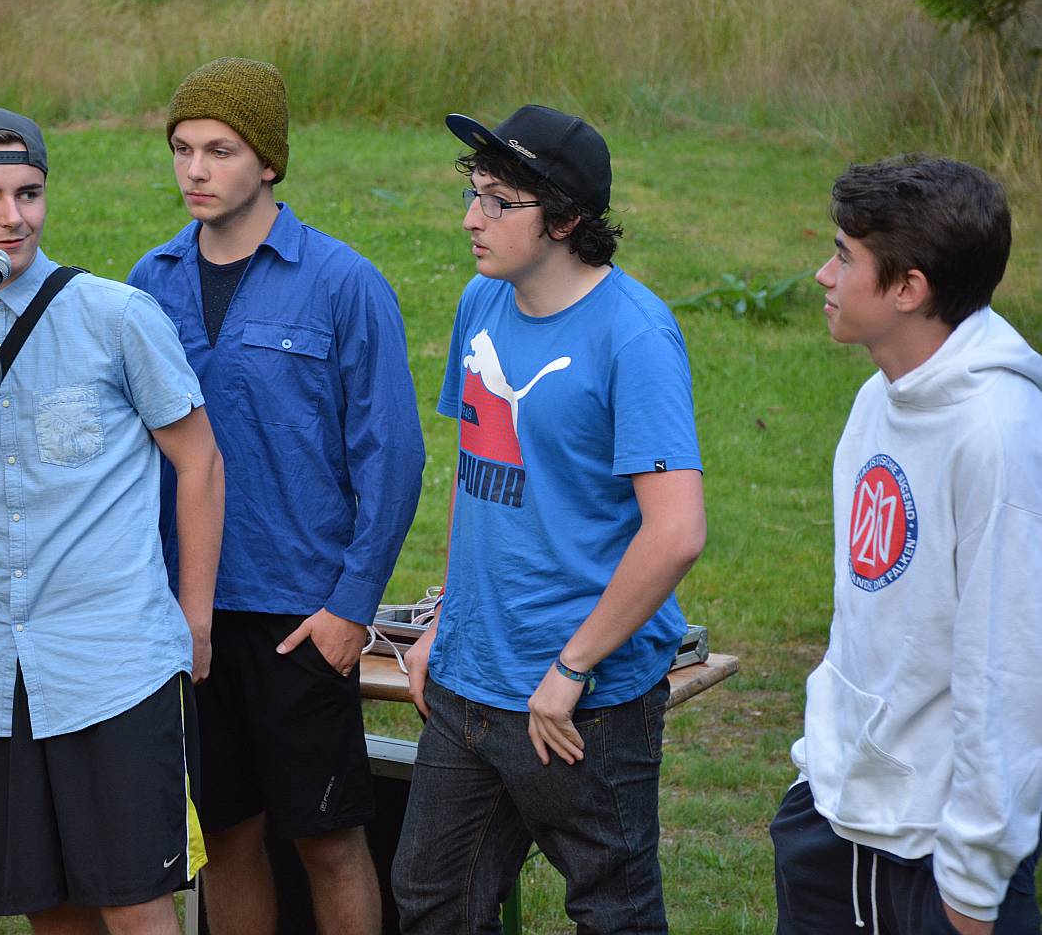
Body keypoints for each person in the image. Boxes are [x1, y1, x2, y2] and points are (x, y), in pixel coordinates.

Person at [0, 105, 224, 935]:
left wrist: (194, 621)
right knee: (46, 907)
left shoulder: (115, 315)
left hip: (114, 661)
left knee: (133, 904)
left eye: (28, 193)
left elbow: (199, 462)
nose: (12, 218)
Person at [391, 105, 707, 935]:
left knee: (611, 909)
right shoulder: (481, 302)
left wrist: (571, 669)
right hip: (467, 676)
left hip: (579, 701)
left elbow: (675, 531)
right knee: (430, 900)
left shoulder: (634, 335)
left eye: (498, 202)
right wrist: (445, 619)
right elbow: (477, 471)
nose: (471, 218)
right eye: (473, 193)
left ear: (564, 220)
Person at [127, 57, 425, 935]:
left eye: (219, 150)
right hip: (186, 613)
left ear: (267, 162)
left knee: (328, 842)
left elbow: (392, 458)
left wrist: (350, 607)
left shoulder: (342, 283)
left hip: (301, 616)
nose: (194, 170)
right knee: (224, 837)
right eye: (181, 148)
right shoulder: (149, 282)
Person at [770, 156, 1042, 935]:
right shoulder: (875, 398)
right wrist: (817, 772)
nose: (823, 274)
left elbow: (1010, 672)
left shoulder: (999, 436)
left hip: (936, 859)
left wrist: (971, 883)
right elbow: (865, 614)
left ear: (907, 288)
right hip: (833, 821)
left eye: (843, 256)